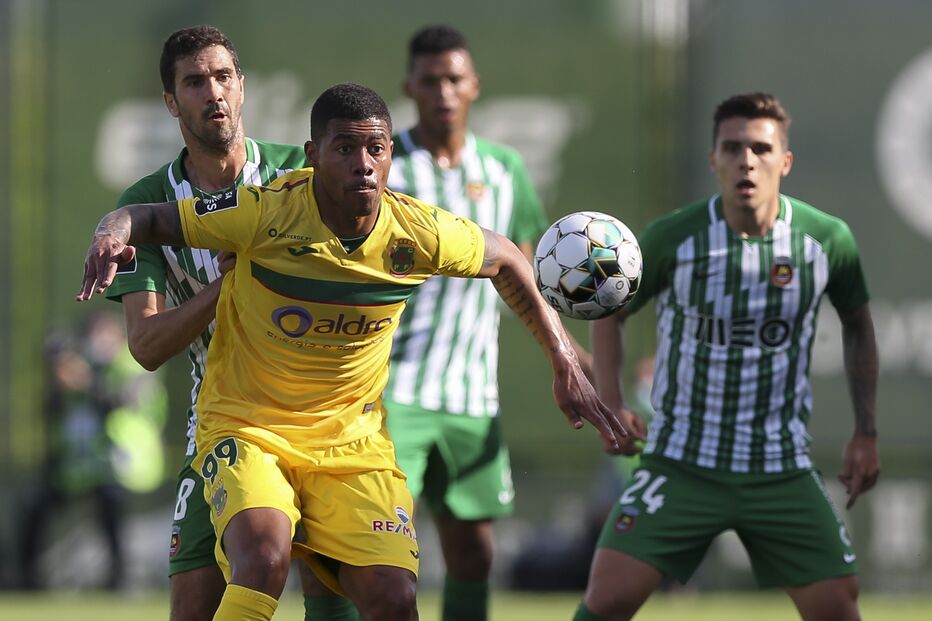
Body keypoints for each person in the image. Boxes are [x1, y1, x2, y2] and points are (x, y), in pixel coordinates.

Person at [77, 82, 626, 621]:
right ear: (313, 156)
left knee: (392, 597)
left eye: (376, 149)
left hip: (351, 445)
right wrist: (111, 229)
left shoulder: (416, 232)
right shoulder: (264, 211)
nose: (364, 164)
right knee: (263, 560)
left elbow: (506, 257)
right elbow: (150, 218)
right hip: (250, 431)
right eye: (345, 149)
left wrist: (562, 359)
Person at [575, 92, 880, 621]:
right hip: (682, 462)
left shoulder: (826, 240)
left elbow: (859, 327)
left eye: (761, 148)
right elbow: (612, 312)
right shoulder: (674, 238)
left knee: (838, 608)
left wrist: (866, 431)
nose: (747, 160)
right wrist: (612, 401)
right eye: (732, 148)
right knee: (606, 600)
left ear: (784, 161)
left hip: (779, 465)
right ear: (714, 159)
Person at [375, 24, 591, 621]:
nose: (443, 91)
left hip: (473, 394)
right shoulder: (387, 169)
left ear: (474, 85)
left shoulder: (503, 169)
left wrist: (568, 355)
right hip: (395, 391)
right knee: (380, 552)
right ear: (409, 88)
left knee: (474, 553)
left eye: (453, 78)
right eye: (430, 80)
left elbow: (528, 273)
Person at [101, 25, 307, 621]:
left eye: (222, 77)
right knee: (192, 607)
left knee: (346, 592)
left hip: (319, 417)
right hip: (217, 425)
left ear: (242, 88)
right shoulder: (146, 205)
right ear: (171, 103)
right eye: (194, 82)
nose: (212, 92)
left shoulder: (299, 174)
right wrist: (226, 289)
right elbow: (145, 344)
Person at [18, 311, 167, 590]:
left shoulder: (136, 364)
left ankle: (121, 580)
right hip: (84, 469)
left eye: (105, 334)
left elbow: (120, 402)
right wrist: (58, 379)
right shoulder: (84, 367)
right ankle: (27, 580)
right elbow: (51, 412)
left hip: (128, 467)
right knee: (33, 504)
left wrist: (86, 383)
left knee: (110, 505)